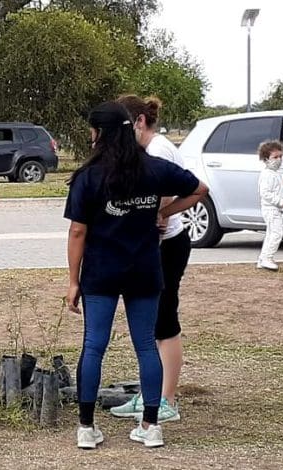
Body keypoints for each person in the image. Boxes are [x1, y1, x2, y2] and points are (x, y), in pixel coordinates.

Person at [65, 101, 208, 449]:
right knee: (146, 345)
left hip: (101, 272)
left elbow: (77, 233)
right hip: (144, 270)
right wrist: (165, 212)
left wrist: (73, 280)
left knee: (94, 346)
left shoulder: (88, 177)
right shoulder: (154, 168)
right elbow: (200, 189)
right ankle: (151, 425)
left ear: (99, 133)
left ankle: (86, 428)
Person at [110, 95, 190, 424]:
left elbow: (178, 190)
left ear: (139, 122)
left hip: (168, 246)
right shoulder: (145, 149)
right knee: (150, 324)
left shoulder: (158, 150)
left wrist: (164, 214)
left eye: (122, 128)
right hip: (153, 246)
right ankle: (149, 394)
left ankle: (166, 400)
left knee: (164, 322)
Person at [256, 140, 283, 271]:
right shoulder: (267, 174)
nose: (279, 160)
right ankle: (267, 258)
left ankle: (263, 258)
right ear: (266, 159)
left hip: (274, 209)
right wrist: (280, 202)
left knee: (271, 234)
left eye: (280, 156)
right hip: (271, 209)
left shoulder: (274, 173)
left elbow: (275, 187)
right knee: (276, 234)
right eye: (275, 157)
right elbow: (265, 193)